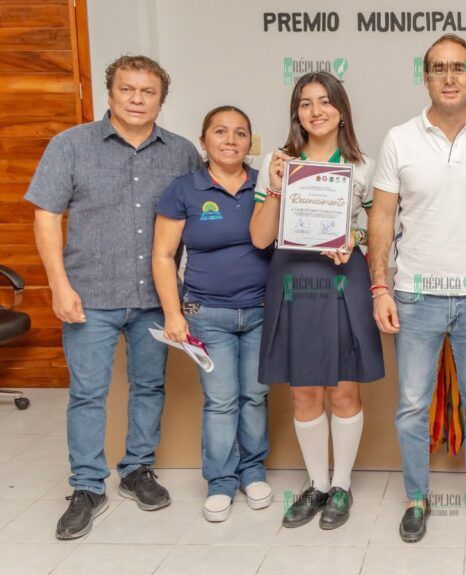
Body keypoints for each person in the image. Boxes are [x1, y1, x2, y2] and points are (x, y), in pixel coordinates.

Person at [26, 55, 201, 540]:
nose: (137, 99)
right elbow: (45, 217)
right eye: (128, 89)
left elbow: (202, 216)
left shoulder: (183, 152)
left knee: (149, 388)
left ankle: (137, 470)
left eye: (148, 92)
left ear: (161, 99)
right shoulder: (71, 146)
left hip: (154, 299)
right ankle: (86, 485)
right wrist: (58, 284)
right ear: (110, 93)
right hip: (90, 295)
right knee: (87, 394)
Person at [367, 33, 466, 542]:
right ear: (426, 76)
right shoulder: (399, 139)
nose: (450, 76)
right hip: (414, 295)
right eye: (439, 67)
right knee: (412, 404)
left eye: (459, 67)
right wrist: (380, 287)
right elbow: (382, 219)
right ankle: (417, 498)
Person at [250, 72, 384, 531]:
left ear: (341, 109)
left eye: (325, 102)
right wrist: (274, 187)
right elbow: (260, 236)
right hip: (292, 276)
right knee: (305, 389)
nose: (316, 110)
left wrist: (354, 238)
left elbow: (380, 227)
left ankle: (341, 486)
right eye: (305, 103)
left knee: (344, 388)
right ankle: (317, 484)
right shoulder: (278, 161)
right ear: (297, 113)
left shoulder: (364, 165)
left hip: (345, 275)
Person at [152, 105, 273, 522]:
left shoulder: (266, 185)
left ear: (249, 143)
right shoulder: (184, 189)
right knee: (221, 401)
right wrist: (173, 314)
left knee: (255, 395)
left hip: (261, 311)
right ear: (203, 141)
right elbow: (164, 255)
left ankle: (253, 471)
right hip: (208, 314)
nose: (230, 140)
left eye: (241, 133)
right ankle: (221, 481)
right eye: (220, 132)